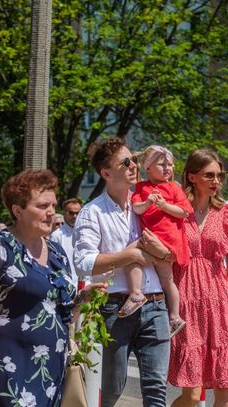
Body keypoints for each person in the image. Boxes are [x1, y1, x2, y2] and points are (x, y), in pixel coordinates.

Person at [0, 169, 106, 405]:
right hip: (9, 368)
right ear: (17, 211)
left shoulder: (56, 252)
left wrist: (82, 299)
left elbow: (63, 315)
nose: (51, 212)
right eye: (42, 206)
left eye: (53, 205)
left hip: (51, 369)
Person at [73, 138, 171, 407]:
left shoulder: (148, 203)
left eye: (134, 160)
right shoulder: (92, 212)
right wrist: (129, 255)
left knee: (156, 389)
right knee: (111, 389)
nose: (133, 166)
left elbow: (172, 242)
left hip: (155, 303)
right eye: (125, 162)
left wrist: (164, 253)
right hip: (115, 307)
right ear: (106, 172)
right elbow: (83, 262)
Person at [168, 149, 228, 407]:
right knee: (192, 396)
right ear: (192, 177)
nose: (217, 181)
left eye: (219, 176)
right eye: (210, 175)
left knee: (224, 395)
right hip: (186, 301)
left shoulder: (226, 214)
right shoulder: (177, 212)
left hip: (220, 302)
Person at [122, 145, 192, 337]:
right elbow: (137, 208)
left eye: (170, 164)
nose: (168, 168)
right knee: (166, 280)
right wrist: (148, 203)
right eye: (162, 164)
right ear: (148, 168)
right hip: (154, 238)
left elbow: (185, 212)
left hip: (166, 239)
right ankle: (174, 317)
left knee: (128, 255)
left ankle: (137, 294)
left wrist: (164, 205)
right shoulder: (142, 187)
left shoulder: (174, 187)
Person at [50, 197, 83, 288]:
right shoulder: (56, 236)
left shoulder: (88, 233)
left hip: (88, 284)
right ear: (64, 212)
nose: (75, 216)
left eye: (78, 213)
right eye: (71, 213)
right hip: (68, 285)